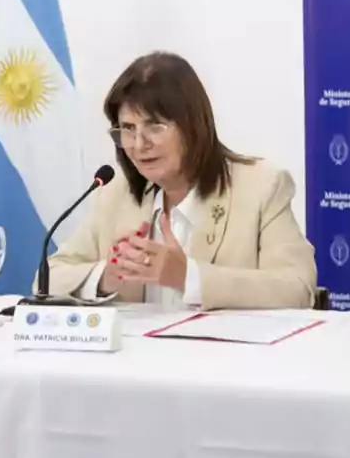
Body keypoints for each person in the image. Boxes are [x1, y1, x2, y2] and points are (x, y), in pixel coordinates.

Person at [46, 52, 317, 310]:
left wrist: (189, 277)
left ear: (193, 126)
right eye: (128, 129)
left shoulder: (261, 187)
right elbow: (48, 277)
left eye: (154, 126)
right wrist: (105, 276)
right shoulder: (118, 194)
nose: (139, 144)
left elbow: (297, 287)